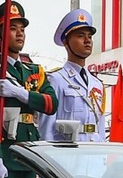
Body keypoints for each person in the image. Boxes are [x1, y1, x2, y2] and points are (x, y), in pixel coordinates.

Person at [0, 1, 59, 178]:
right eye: (13, 28)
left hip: (30, 153)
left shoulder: (34, 71)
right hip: (4, 153)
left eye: (22, 29)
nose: (20, 33)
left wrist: (21, 93)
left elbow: (52, 104)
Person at [37, 9, 109, 143]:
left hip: (93, 153)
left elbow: (100, 127)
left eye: (90, 36)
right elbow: (46, 129)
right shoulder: (56, 79)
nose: (87, 40)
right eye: (81, 36)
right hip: (67, 153)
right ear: (66, 42)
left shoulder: (97, 84)